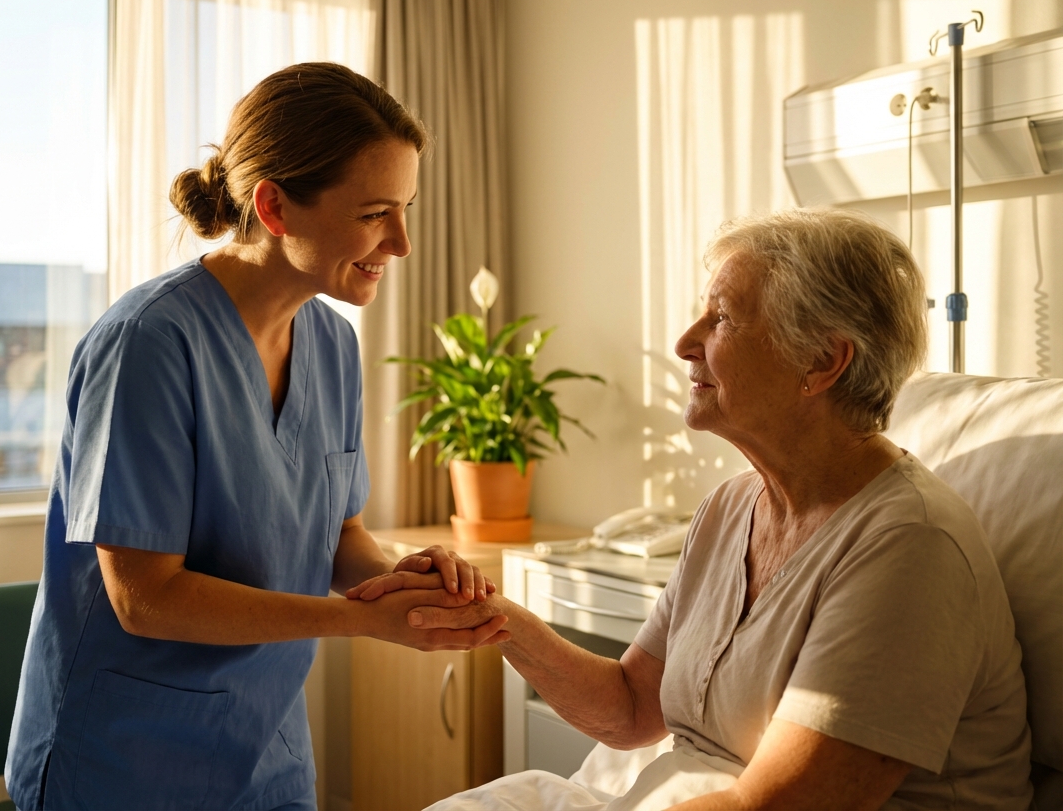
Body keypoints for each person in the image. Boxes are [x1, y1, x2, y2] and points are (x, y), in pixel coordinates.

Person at [5, 63, 506, 811]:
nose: (400, 242)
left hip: (265, 757)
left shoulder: (332, 344)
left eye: (405, 208)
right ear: (274, 206)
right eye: (375, 212)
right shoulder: (150, 342)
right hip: (120, 763)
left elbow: (339, 539)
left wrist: (404, 574)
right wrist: (363, 620)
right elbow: (145, 598)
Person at [416, 210, 1032, 810]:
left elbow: (779, 805)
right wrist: (492, 617)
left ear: (821, 362)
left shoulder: (910, 547)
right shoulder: (730, 507)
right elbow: (633, 707)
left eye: (722, 320)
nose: (686, 343)